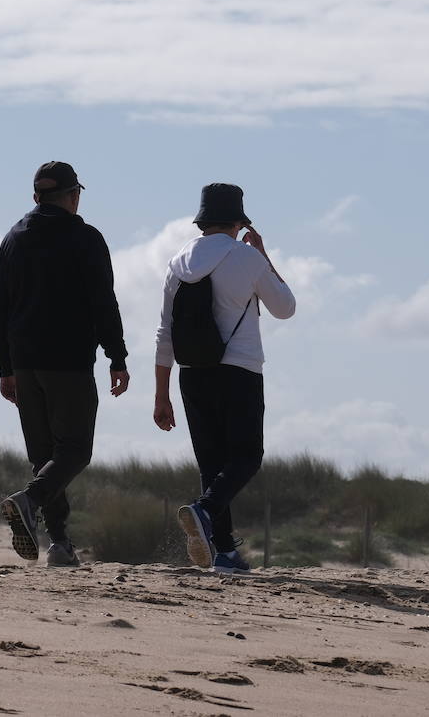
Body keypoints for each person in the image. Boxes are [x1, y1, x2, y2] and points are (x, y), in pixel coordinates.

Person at [0, 161, 130, 566]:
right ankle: (30, 501)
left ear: (36, 197)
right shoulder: (85, 238)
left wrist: (5, 367)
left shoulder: (13, 239)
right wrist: (117, 356)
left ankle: (60, 544)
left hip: (24, 362)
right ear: (73, 196)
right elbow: (103, 302)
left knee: (45, 455)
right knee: (75, 450)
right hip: (68, 360)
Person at [153, 183, 295, 574]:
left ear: (202, 221)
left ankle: (225, 552)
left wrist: (161, 394)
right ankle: (204, 511)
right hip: (239, 370)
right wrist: (264, 256)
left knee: (211, 464)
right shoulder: (247, 258)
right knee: (246, 456)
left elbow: (165, 333)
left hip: (191, 374)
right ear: (238, 222)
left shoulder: (178, 262)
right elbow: (285, 307)